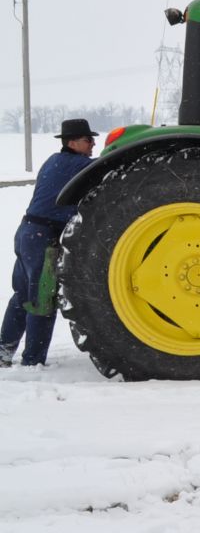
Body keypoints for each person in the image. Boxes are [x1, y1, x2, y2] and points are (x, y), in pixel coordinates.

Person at [1, 118, 98, 368]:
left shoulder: (53, 161)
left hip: (27, 233)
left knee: (22, 294)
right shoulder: (77, 165)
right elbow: (103, 168)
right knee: (41, 299)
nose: (93, 144)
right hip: (43, 237)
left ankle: (3, 352)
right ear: (73, 142)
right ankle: (33, 361)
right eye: (88, 140)